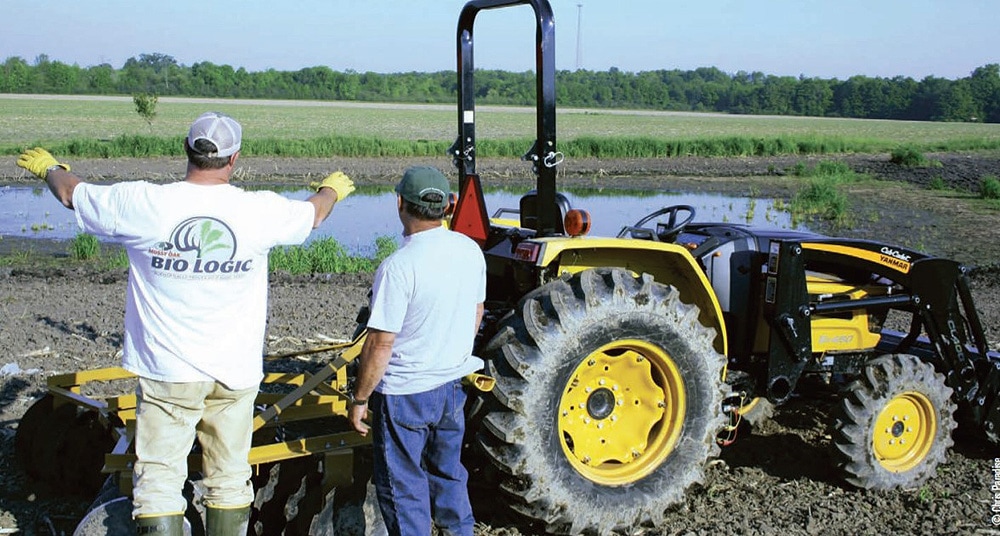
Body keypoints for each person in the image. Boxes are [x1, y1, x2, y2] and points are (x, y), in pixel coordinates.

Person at [16, 111, 356, 536]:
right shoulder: (259, 211)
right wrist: (331, 188)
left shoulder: (144, 204)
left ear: (186, 150)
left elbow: (71, 194)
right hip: (234, 374)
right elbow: (315, 214)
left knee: (158, 482)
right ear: (235, 160)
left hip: (168, 373)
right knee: (229, 477)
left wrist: (50, 168)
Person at [348, 166, 486, 536]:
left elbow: (380, 343)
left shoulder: (398, 267)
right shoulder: (470, 250)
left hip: (405, 395)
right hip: (451, 387)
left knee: (404, 490)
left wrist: (360, 398)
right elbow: (477, 311)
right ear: (448, 206)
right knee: (448, 476)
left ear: (399, 204)